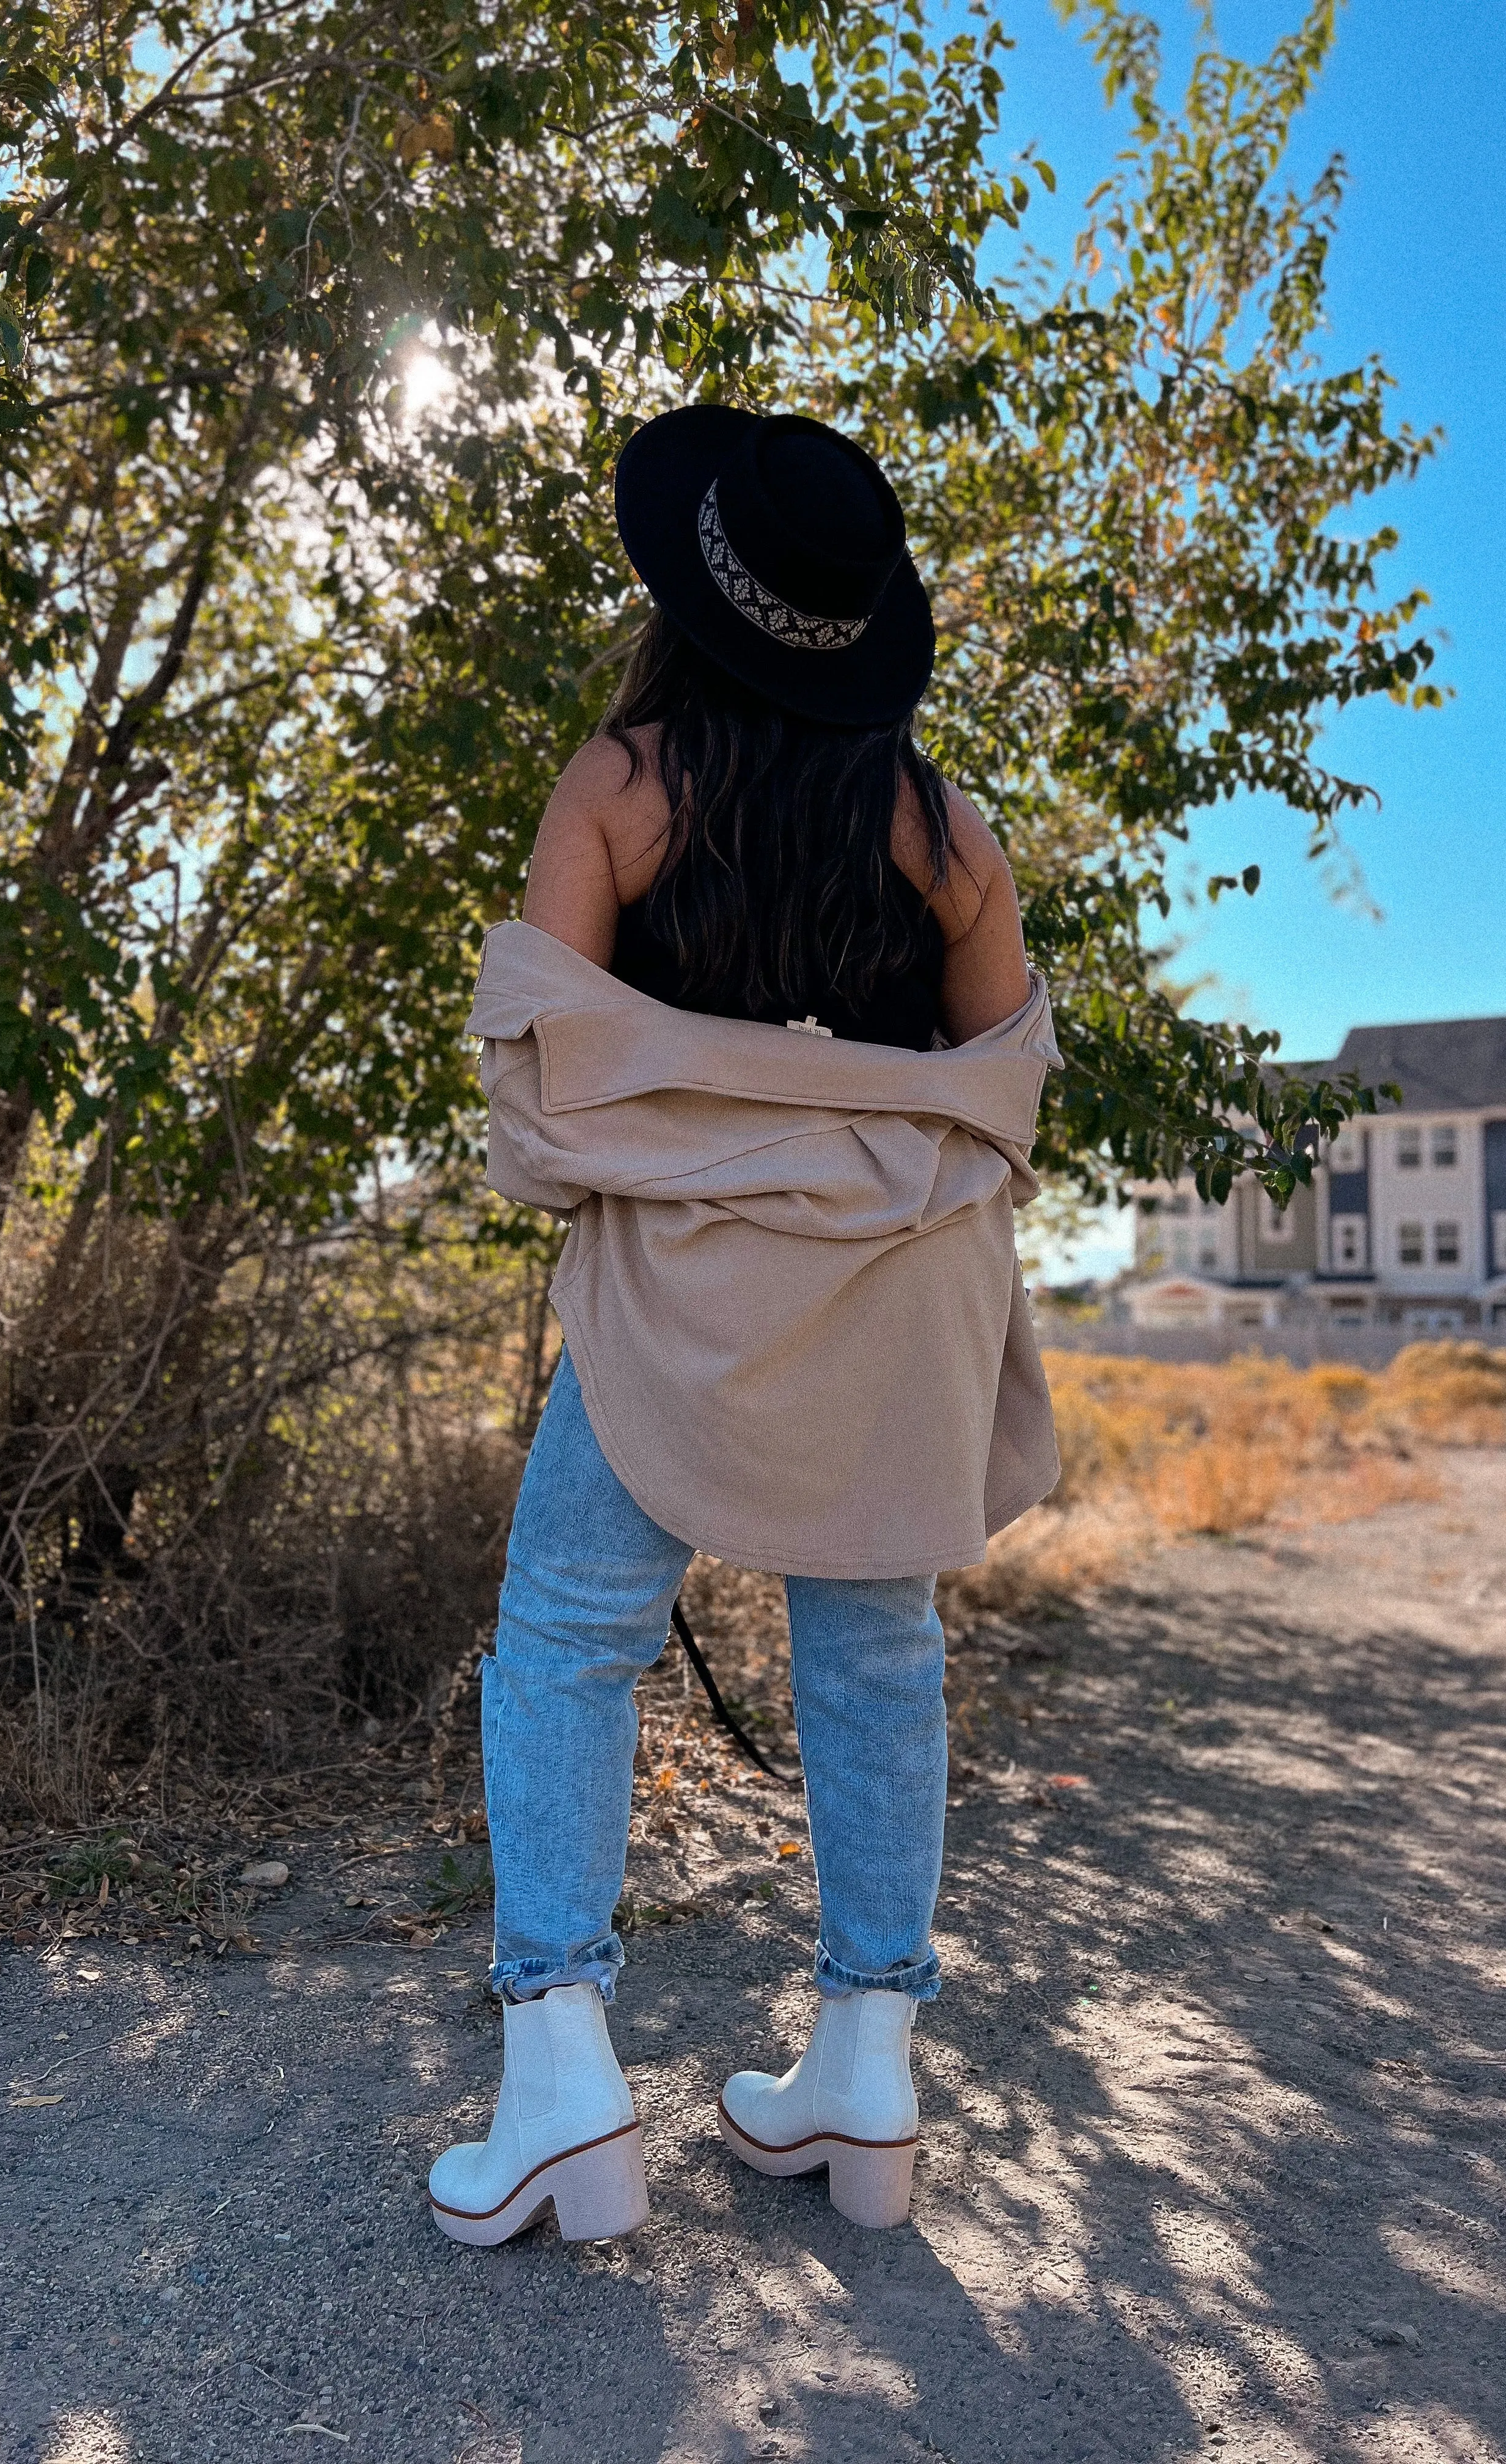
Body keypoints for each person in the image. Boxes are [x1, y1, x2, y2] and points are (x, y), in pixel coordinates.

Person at [430, 407, 1060, 2246]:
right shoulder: (947, 831)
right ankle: (866, 2069)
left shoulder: (619, 789)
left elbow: (539, 1097)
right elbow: (997, 1099)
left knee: (564, 1640)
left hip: (672, 1296)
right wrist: (841, 1138)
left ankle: (559, 2084)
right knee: (875, 1650)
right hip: (885, 1302)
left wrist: (697, 1122)